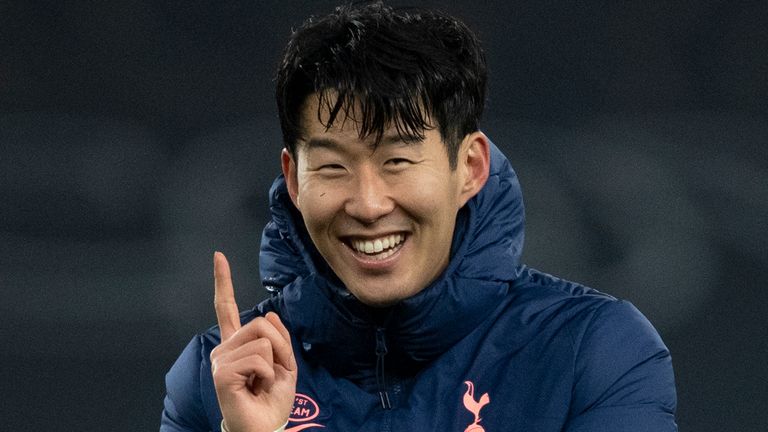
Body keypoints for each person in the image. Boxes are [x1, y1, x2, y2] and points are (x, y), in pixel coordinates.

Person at [160, 2, 678, 431]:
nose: (367, 204)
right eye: (334, 166)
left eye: (397, 162)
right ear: (294, 180)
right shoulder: (219, 378)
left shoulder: (596, 350)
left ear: (469, 167)